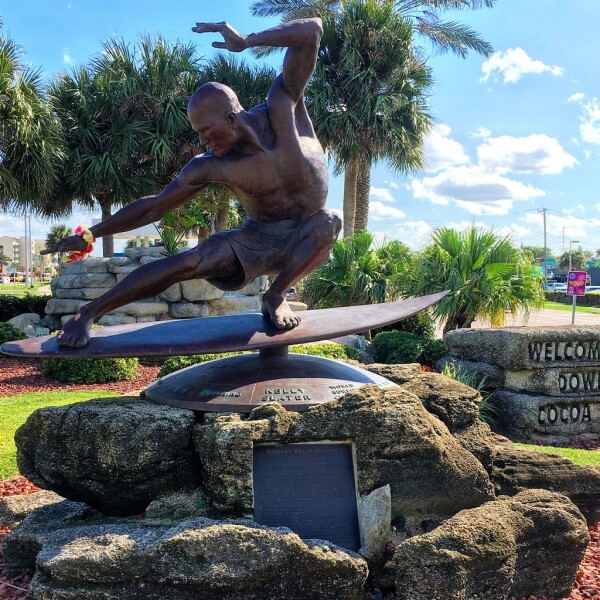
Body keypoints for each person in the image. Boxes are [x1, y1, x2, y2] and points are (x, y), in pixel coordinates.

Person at [42, 18, 341, 348]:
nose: (202, 142)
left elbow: (311, 31)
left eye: (205, 132)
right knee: (189, 261)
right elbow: (154, 206)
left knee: (329, 221)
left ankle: (275, 295)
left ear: (231, 118)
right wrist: (91, 234)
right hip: (257, 239)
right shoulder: (212, 165)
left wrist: (247, 40)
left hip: (306, 237)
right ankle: (88, 313)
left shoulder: (282, 105)